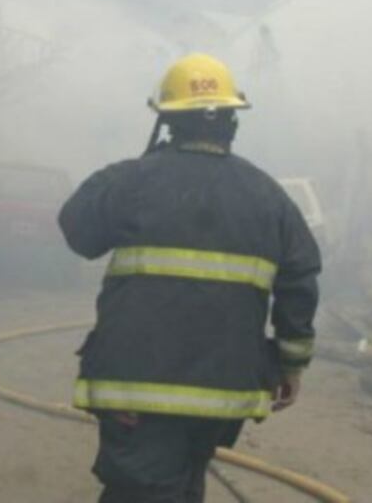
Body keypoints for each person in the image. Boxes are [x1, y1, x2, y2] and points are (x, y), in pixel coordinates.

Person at [59, 53, 321, 503]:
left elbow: (79, 231)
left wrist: (138, 167)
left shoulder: (132, 181)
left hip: (135, 390)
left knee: (142, 491)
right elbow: (300, 281)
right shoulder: (270, 198)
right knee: (181, 486)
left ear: (167, 121)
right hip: (223, 395)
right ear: (232, 122)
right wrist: (290, 365)